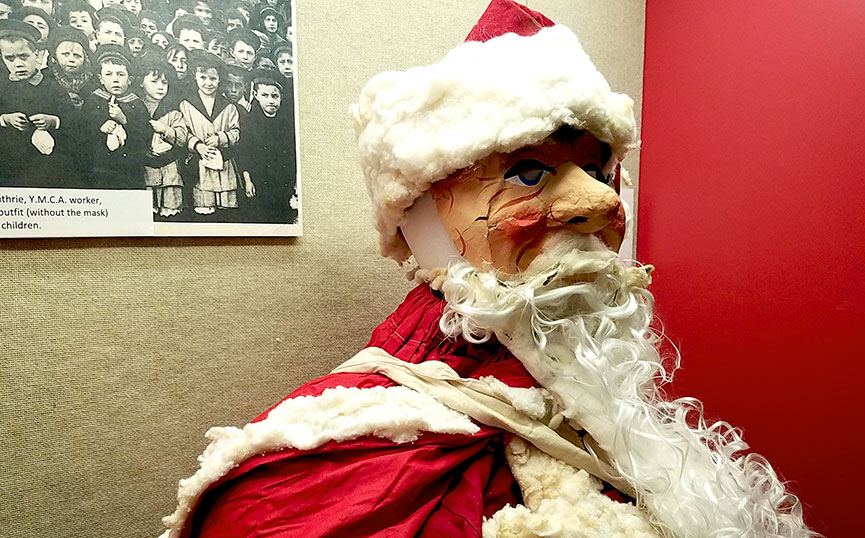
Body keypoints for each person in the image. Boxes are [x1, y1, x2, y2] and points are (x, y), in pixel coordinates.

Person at [161, 2, 815, 538]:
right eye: (529, 173)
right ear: (423, 221)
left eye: (596, 171)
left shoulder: (602, 400)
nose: (602, 204)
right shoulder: (319, 474)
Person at [0, 19, 74, 187]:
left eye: (24, 56)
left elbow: (72, 120)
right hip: (8, 165)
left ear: (37, 55)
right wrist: (5, 119)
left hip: (44, 166)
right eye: (10, 58)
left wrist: (53, 121)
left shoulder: (52, 87)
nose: (18, 64)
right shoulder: (2, 87)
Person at [80, 44, 151, 189]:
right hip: (99, 167)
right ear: (100, 79)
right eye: (109, 74)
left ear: (129, 80)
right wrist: (99, 127)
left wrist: (125, 120)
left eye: (120, 74)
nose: (115, 79)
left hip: (129, 169)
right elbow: (82, 128)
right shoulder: (93, 100)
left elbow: (145, 135)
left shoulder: (136, 104)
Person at [178, 50, 239, 215]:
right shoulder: (186, 104)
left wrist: (221, 138)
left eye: (213, 78)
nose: (208, 83)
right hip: (200, 166)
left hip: (224, 166)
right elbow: (183, 133)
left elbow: (236, 132)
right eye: (203, 78)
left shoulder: (229, 106)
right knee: (204, 208)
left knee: (226, 211)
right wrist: (198, 146)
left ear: (219, 80)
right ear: (195, 77)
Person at [239, 67, 294, 223]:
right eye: (265, 95)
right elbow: (244, 153)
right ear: (256, 96)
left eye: (275, 96)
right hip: (258, 180)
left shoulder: (286, 123)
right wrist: (248, 181)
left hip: (282, 180)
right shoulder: (249, 121)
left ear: (281, 98)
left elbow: (292, 155)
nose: (270, 100)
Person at [135, 52, 186, 216]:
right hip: (143, 168)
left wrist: (165, 130)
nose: (160, 86)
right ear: (141, 82)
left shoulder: (173, 111)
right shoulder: (134, 105)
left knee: (169, 213)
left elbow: (182, 137)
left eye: (164, 82)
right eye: (154, 81)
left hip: (168, 170)